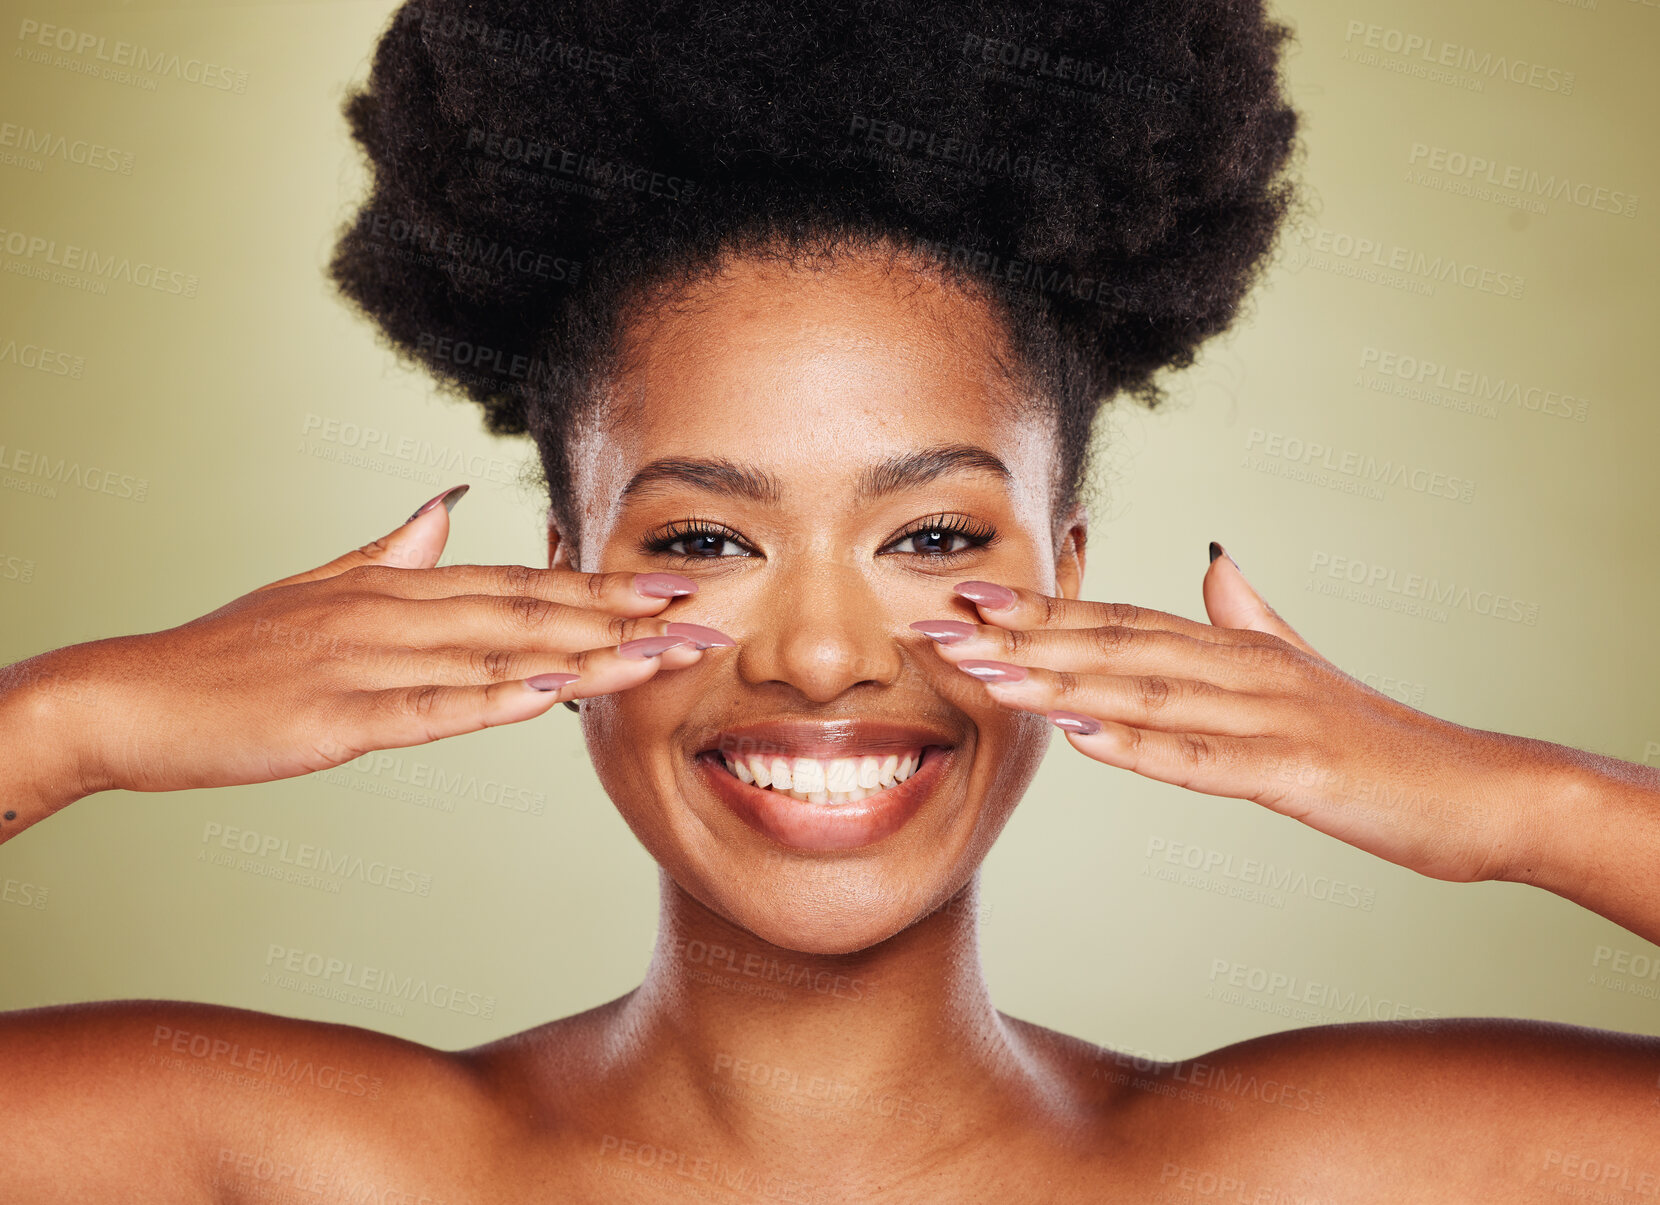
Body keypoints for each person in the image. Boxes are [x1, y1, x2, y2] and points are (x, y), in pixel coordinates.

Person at [3, 0, 1657, 1199]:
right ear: (559, 585)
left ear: (1068, 576)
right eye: (706, 541)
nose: (815, 655)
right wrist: (69, 720)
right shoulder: (310, 1163)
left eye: (935, 537)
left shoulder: (1316, 1174)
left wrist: (1523, 805)